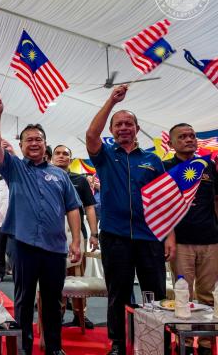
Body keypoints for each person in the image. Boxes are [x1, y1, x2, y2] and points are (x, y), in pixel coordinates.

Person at [0, 93, 82, 355]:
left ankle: (54, 348)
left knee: (53, 301)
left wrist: (76, 241)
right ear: (20, 145)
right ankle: (23, 349)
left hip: (55, 248)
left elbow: (73, 208)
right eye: (28, 139)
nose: (34, 143)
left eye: (38, 139)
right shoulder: (14, 168)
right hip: (23, 246)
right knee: (23, 300)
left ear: (45, 144)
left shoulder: (60, 175)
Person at [85, 85, 174, 355]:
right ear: (112, 130)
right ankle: (118, 344)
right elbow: (91, 134)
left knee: (155, 293)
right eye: (118, 124)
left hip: (150, 237)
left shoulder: (152, 160)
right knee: (118, 293)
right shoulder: (104, 156)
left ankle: (156, 343)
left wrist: (170, 235)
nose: (124, 127)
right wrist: (111, 101)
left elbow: (165, 200)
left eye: (128, 123)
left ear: (137, 128)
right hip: (115, 235)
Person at [165, 123, 218, 355]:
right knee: (182, 295)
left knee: (208, 295)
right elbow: (162, 206)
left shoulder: (208, 165)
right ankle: (184, 343)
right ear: (171, 143)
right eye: (183, 137)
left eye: (192, 136)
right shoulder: (166, 168)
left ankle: (206, 345)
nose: (189, 139)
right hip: (180, 241)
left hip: (210, 240)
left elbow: (215, 200)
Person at [51, 145, 99, 329]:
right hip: (53, 236)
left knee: (78, 276)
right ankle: (58, 314)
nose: (61, 156)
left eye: (65, 154)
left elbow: (89, 207)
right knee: (56, 277)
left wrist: (94, 234)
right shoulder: (45, 177)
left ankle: (81, 315)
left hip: (78, 235)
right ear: (52, 158)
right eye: (58, 153)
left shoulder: (80, 180)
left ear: (70, 160)